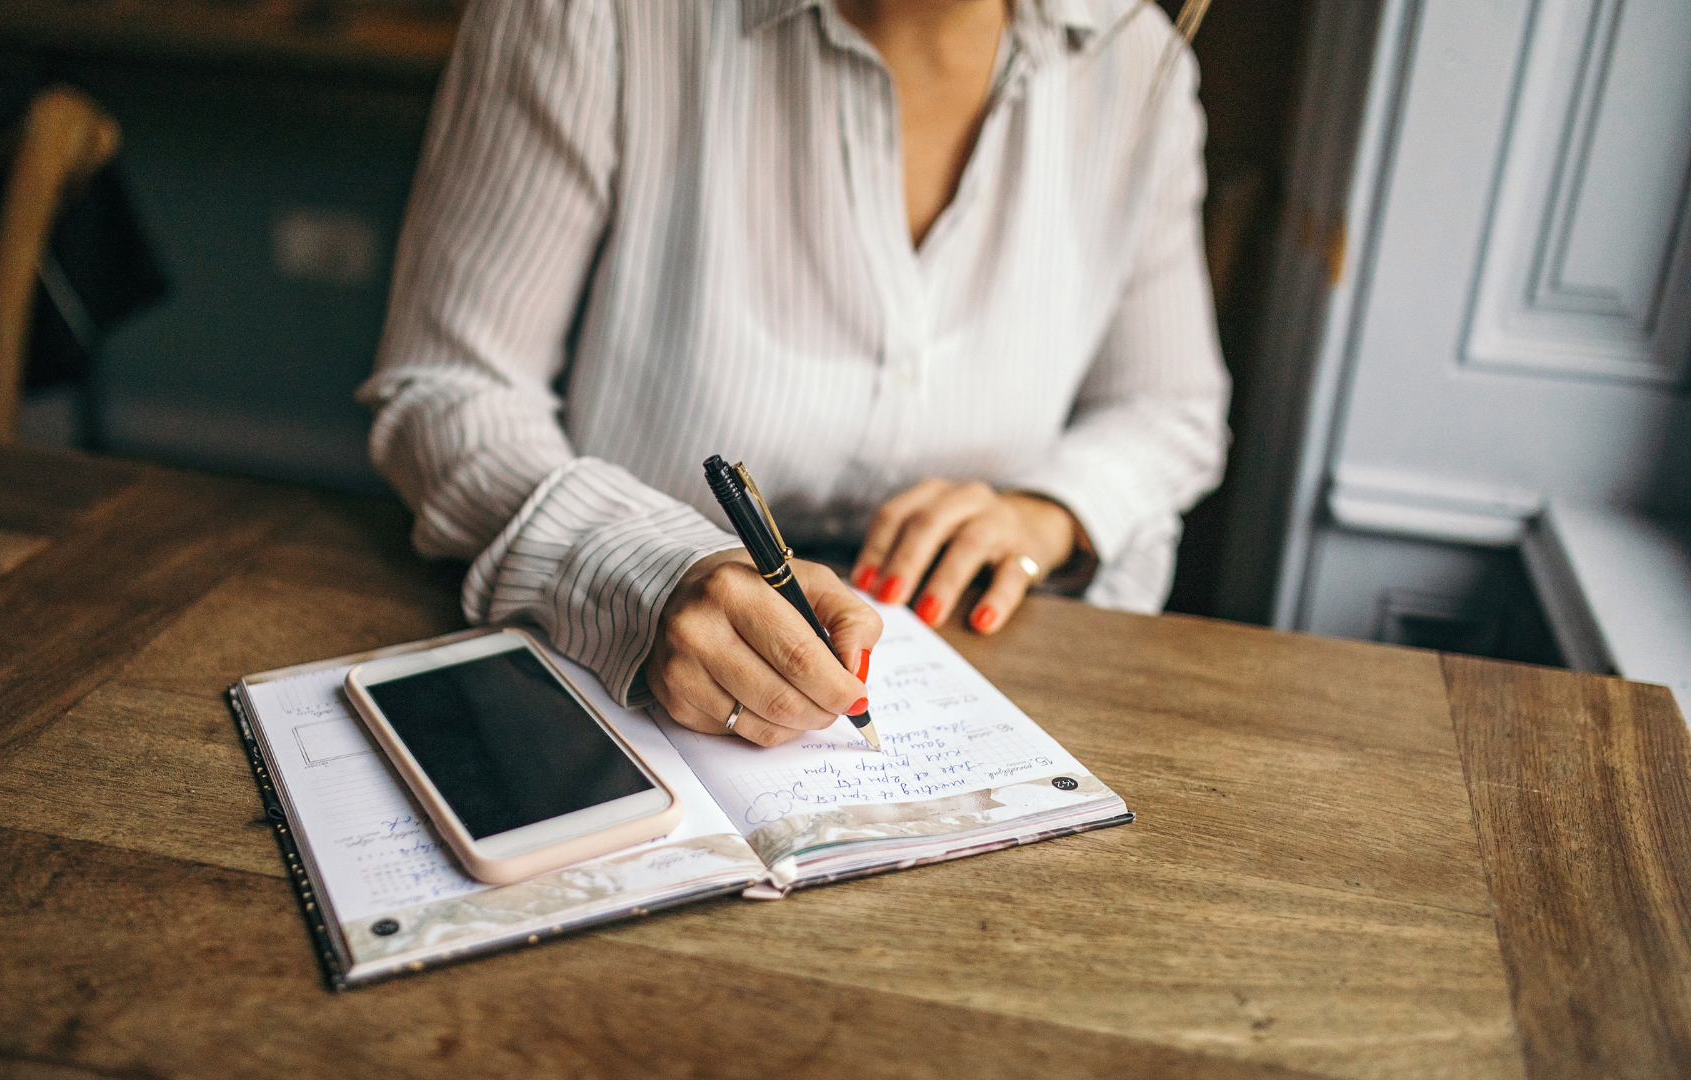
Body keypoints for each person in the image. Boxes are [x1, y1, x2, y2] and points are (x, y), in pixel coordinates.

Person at [360, 0, 1229, 749]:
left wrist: (1048, 515)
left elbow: (1171, 409)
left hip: (992, 697)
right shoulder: (600, 19)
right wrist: (650, 571)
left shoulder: (1134, 58)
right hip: (612, 691)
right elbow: (451, 390)